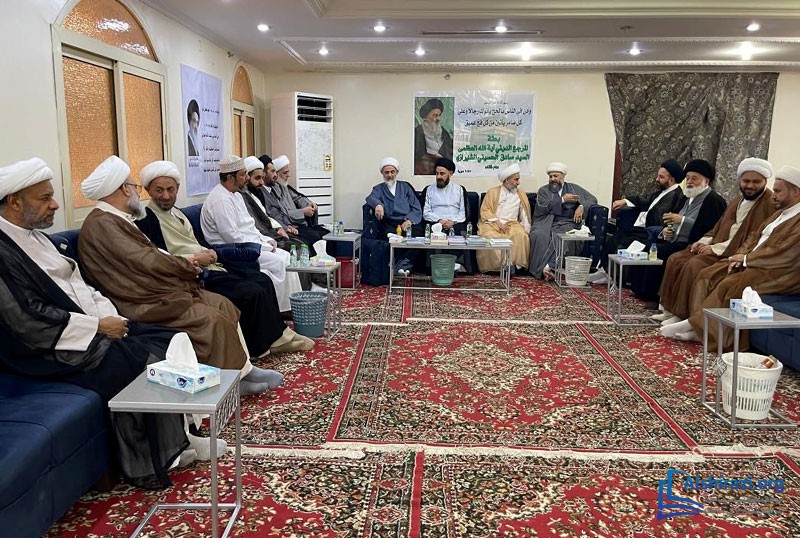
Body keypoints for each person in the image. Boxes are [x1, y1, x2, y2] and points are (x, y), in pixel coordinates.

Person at [0, 157, 194, 489]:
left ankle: (182, 434)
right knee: (135, 360)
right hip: (44, 348)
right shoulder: (4, 251)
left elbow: (79, 286)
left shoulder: (35, 237)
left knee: (166, 338)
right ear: (15, 201)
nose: (55, 204)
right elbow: (26, 320)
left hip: (85, 323)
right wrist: (97, 328)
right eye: (44, 198)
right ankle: (152, 457)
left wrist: (110, 317)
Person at [77, 156, 275, 397]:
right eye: (134, 187)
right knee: (210, 318)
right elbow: (145, 261)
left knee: (223, 304)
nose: (137, 193)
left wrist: (184, 266)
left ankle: (243, 370)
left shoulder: (115, 219)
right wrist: (185, 266)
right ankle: (228, 382)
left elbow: (151, 255)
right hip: (139, 300)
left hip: (151, 288)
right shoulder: (103, 223)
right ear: (124, 189)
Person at [135, 159, 314, 356]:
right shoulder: (146, 219)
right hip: (192, 272)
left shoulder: (177, 213)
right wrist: (196, 257)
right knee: (250, 291)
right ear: (148, 190)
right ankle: (262, 346)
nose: (166, 196)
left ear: (177, 188)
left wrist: (207, 251)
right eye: (159, 190)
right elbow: (160, 257)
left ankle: (279, 334)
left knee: (262, 279)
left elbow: (199, 239)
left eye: (170, 189)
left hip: (212, 260)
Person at [662, 165, 800, 349]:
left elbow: (785, 253)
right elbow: (753, 237)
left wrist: (746, 260)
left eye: (778, 191)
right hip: (758, 263)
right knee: (709, 274)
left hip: (782, 272)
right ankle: (697, 325)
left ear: (796, 192)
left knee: (729, 283)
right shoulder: (779, 214)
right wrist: (740, 255)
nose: (773, 195)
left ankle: (701, 328)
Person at [654, 157, 774, 325]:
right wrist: (703, 241)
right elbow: (717, 227)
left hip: (733, 252)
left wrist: (715, 249)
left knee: (694, 265)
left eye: (756, 182)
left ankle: (687, 317)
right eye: (746, 181)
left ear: (765, 181)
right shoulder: (737, 201)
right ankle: (669, 310)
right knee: (676, 258)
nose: (750, 186)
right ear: (740, 181)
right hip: (719, 245)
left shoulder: (769, 203)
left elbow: (754, 237)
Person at [201, 155, 302, 312]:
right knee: (278, 262)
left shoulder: (236, 195)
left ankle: (292, 305)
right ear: (230, 177)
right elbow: (232, 237)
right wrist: (262, 246)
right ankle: (280, 310)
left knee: (287, 256)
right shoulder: (220, 200)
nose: (246, 178)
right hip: (232, 251)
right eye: (243, 175)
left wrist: (265, 239)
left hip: (250, 244)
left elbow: (250, 226)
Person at [628, 158, 727, 306]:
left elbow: (710, 229)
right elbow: (673, 220)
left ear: (706, 181)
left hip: (692, 244)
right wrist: (667, 230)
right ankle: (640, 290)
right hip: (674, 240)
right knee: (646, 245)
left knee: (661, 252)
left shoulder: (714, 201)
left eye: (694, 178)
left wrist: (682, 220)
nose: (690, 182)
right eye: (688, 178)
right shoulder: (687, 197)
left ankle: (654, 297)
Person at [590, 159, 686, 283]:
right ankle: (605, 272)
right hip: (643, 230)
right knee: (614, 239)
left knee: (621, 240)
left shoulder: (677, 196)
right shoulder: (661, 193)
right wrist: (624, 201)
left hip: (652, 232)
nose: (657, 179)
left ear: (671, 180)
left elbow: (668, 220)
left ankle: (612, 275)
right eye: (658, 176)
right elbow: (644, 199)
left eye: (661, 177)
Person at [529, 162, 597, 281]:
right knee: (539, 235)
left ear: (563, 176)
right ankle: (544, 268)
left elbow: (592, 199)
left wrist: (581, 206)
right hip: (547, 221)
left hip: (567, 222)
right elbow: (542, 208)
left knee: (560, 235)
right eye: (550, 176)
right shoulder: (543, 190)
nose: (552, 179)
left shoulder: (573, 188)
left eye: (555, 176)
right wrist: (562, 200)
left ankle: (548, 267)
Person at [366, 157, 424, 275]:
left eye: (392, 172)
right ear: (382, 173)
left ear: (397, 172)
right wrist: (378, 205)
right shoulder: (378, 188)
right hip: (390, 223)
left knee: (418, 237)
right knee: (390, 238)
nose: (390, 175)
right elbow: (371, 197)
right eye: (386, 172)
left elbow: (416, 207)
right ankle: (402, 266)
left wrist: (410, 220)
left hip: (407, 221)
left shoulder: (405, 187)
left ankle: (403, 264)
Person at [240, 155, 307, 253]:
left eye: (262, 178)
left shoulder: (254, 193)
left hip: (271, 231)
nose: (261, 182)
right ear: (247, 177)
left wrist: (279, 227)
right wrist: (274, 232)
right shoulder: (242, 196)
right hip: (260, 237)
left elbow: (265, 215)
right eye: (257, 178)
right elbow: (254, 223)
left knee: (302, 244)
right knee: (297, 247)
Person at [477, 163, 532, 273]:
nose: (518, 183)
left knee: (521, 235)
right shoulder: (492, 192)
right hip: (492, 223)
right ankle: (497, 267)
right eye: (516, 180)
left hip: (512, 224)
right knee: (488, 236)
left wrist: (527, 228)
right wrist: (497, 222)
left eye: (518, 179)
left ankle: (516, 266)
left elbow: (524, 213)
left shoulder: (521, 194)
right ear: (507, 180)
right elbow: (485, 210)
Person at [422, 157, 471, 272]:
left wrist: (452, 222)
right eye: (437, 173)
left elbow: (463, 213)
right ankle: (434, 267)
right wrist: (439, 220)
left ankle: (456, 265)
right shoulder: (429, 189)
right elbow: (426, 212)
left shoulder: (459, 190)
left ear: (450, 174)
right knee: (434, 232)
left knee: (458, 233)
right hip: (435, 223)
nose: (439, 177)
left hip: (455, 223)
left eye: (442, 174)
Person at [269, 155, 330, 244]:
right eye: (285, 173)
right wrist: (302, 212)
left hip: (300, 224)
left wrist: (309, 204)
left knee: (327, 234)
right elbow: (283, 214)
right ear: (276, 174)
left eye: (288, 172)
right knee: (316, 237)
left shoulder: (284, 186)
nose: (288, 175)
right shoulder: (272, 192)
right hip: (293, 227)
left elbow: (298, 198)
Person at [414, 98, 454, 175]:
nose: (438, 119)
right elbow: (418, 155)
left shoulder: (443, 132)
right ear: (426, 116)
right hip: (425, 171)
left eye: (439, 115)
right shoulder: (418, 132)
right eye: (435, 115)